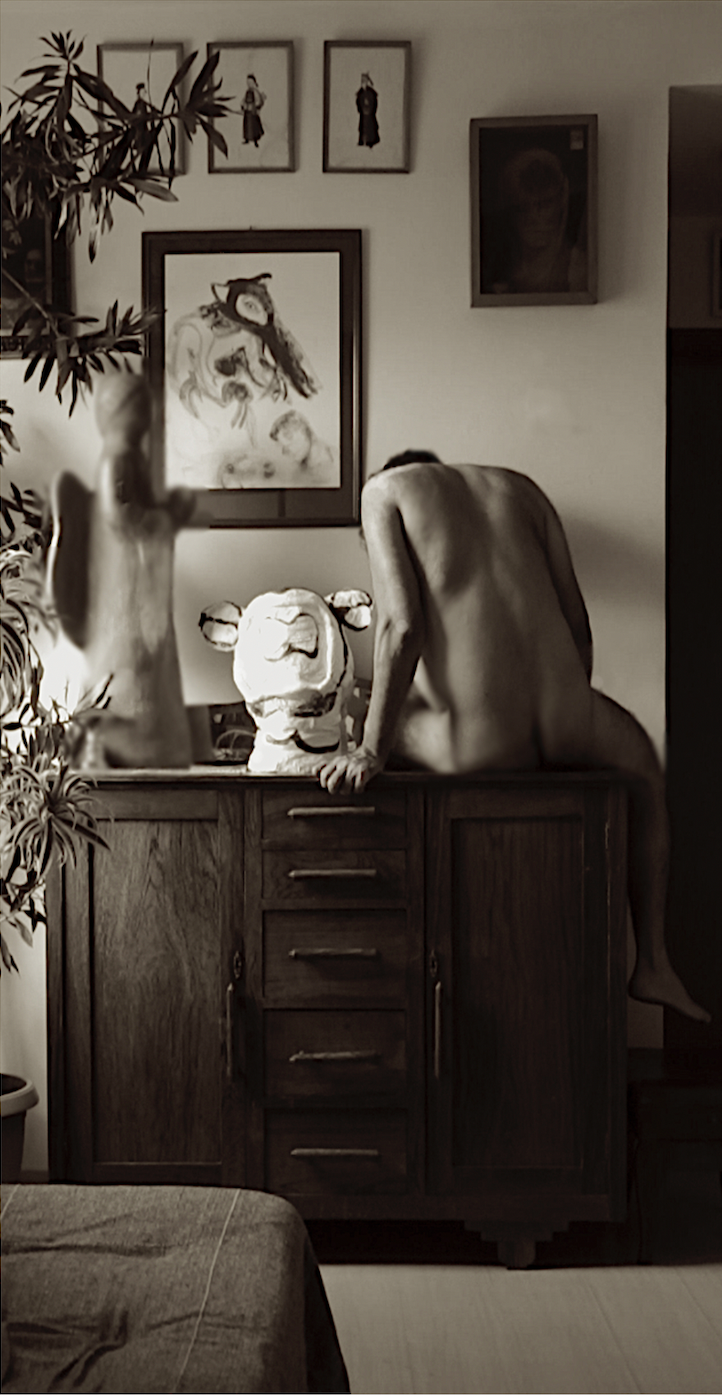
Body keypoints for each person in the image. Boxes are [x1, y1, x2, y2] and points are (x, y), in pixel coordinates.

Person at [319, 451, 711, 1024]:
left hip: (482, 742)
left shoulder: (381, 493)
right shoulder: (521, 491)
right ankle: (653, 961)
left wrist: (371, 748)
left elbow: (401, 627)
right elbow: (579, 630)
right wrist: (554, 722)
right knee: (645, 771)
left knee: (363, 711)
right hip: (573, 717)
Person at [355, 73, 380, 149]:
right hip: (363, 113)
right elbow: (358, 102)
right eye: (362, 81)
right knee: (363, 127)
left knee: (370, 127)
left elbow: (374, 103)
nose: (363, 82)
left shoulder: (371, 92)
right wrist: (361, 109)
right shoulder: (360, 92)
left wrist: (370, 109)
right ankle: (362, 140)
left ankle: (371, 141)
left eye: (365, 80)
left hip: (369, 113)